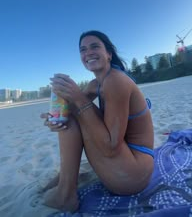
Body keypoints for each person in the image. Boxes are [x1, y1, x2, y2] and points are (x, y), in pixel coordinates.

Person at [40, 30, 154, 212]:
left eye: (94, 47)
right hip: (131, 162)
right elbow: (73, 110)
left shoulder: (115, 81)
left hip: (134, 175)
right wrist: (54, 119)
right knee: (68, 118)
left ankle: (66, 193)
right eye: (83, 50)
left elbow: (110, 146)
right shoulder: (98, 83)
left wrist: (78, 98)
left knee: (73, 118)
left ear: (108, 54)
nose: (88, 53)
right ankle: (67, 177)